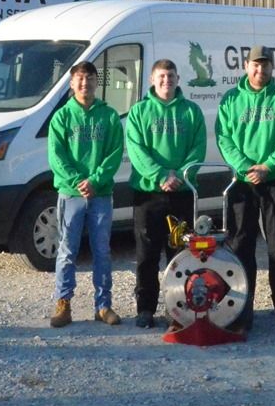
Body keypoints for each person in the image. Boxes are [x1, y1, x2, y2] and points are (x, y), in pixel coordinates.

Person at [216, 45, 275, 328]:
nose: (260, 69)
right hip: (242, 183)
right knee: (241, 244)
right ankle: (242, 307)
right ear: (246, 66)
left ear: (272, 67)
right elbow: (224, 138)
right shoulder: (231, 100)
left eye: (265, 65)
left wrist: (268, 166)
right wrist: (245, 167)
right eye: (255, 64)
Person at [123, 58, 206, 329]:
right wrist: (161, 176)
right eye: (161, 76)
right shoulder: (139, 112)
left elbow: (198, 149)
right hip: (148, 194)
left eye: (171, 76)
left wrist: (180, 176)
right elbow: (136, 150)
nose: (166, 81)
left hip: (181, 193)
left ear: (178, 79)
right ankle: (145, 309)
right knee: (147, 255)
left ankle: (178, 309)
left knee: (179, 255)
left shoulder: (191, 111)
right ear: (152, 79)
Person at [47, 60, 125, 328]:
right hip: (71, 194)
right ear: (71, 83)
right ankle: (63, 303)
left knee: (102, 251)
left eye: (90, 78)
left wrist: (95, 180)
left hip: (100, 194)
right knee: (67, 250)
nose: (85, 83)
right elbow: (56, 156)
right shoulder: (61, 117)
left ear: (96, 82)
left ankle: (103, 306)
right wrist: (77, 181)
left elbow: (114, 153)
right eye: (80, 79)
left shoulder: (109, 116)